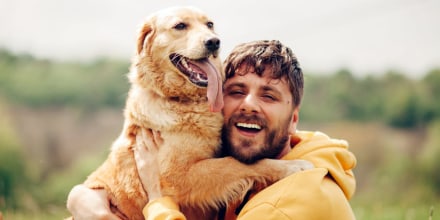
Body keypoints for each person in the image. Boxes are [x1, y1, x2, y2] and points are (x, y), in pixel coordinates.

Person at [67, 40, 357, 220]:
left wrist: (157, 198)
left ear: (294, 119)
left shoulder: (289, 203)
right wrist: (83, 196)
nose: (249, 105)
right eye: (236, 91)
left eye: (268, 96)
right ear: (215, 97)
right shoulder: (264, 157)